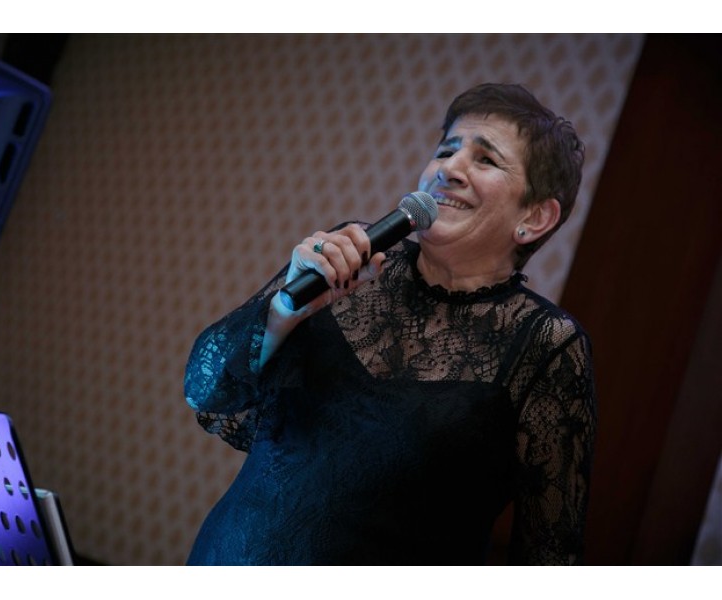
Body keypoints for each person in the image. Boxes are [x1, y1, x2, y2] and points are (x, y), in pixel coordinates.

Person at [183, 82, 597, 565]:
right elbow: (203, 390)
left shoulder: (547, 343)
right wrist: (283, 310)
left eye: (485, 160)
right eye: (446, 150)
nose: (449, 169)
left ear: (535, 216)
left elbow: (550, 554)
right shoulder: (345, 260)